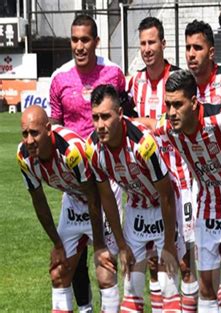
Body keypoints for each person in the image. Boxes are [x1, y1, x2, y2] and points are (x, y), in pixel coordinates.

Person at [152, 70, 221, 313]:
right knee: (207, 288)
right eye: (168, 104)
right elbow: (144, 126)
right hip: (207, 211)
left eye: (178, 104)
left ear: (194, 102)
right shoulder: (168, 128)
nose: (171, 112)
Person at [49, 14, 125, 312]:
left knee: (108, 259)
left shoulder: (114, 74)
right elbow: (54, 129)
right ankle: (84, 308)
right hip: (74, 182)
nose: (79, 46)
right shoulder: (59, 78)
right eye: (74, 40)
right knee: (69, 258)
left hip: (108, 178)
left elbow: (124, 119)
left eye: (85, 40)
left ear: (96, 41)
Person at [87, 84, 183, 312]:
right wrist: (121, 245)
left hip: (164, 206)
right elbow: (107, 198)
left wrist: (169, 243)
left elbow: (166, 192)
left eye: (106, 117)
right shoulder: (92, 148)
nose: (100, 125)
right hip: (136, 207)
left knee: (169, 287)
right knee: (132, 288)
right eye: (95, 117)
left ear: (120, 115)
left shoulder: (143, 143)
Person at [17, 106, 119, 312]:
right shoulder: (24, 157)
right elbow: (39, 201)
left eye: (34, 133)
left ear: (48, 129)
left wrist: (99, 244)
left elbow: (93, 195)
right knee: (58, 272)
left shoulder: (72, 151)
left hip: (101, 196)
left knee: (105, 272)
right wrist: (57, 244)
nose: (29, 141)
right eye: (25, 134)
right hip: (74, 198)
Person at [126, 16, 184, 312]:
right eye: (143, 43)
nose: (147, 49)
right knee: (152, 263)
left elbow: (182, 124)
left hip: (177, 181)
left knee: (182, 263)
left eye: (152, 42)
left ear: (163, 43)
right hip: (144, 183)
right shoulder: (133, 82)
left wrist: (148, 124)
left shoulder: (177, 80)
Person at [185, 19, 221, 111]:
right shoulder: (184, 87)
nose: (191, 54)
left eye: (197, 48)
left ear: (211, 52)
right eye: (188, 48)